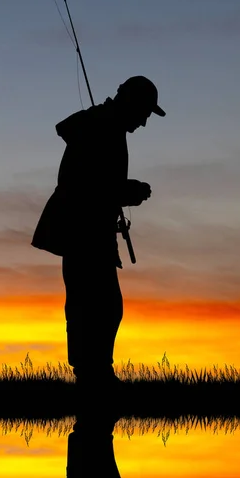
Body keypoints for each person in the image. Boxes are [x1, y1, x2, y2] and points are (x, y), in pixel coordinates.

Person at [31, 75, 165, 395]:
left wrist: (123, 191)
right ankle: (92, 376)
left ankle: (94, 374)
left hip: (89, 229)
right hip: (81, 230)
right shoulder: (101, 124)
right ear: (131, 103)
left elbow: (94, 181)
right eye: (144, 112)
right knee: (94, 305)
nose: (145, 122)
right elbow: (86, 184)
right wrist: (125, 190)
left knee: (100, 305)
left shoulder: (107, 126)